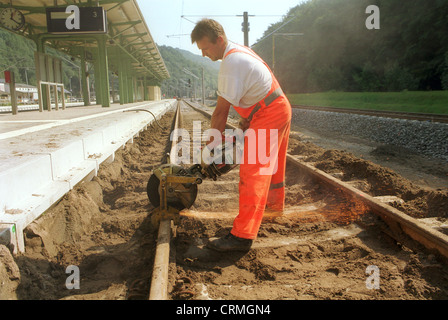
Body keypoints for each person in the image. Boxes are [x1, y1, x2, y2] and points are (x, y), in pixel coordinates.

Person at [191, 19, 292, 252]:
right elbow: (255, 87)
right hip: (276, 106)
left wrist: (209, 149)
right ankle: (273, 209)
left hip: (270, 111)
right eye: (201, 51)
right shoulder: (239, 52)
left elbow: (220, 113)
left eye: (206, 48)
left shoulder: (231, 62)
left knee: (253, 171)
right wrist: (248, 120)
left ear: (219, 40)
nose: (204, 54)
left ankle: (242, 237)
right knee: (272, 167)